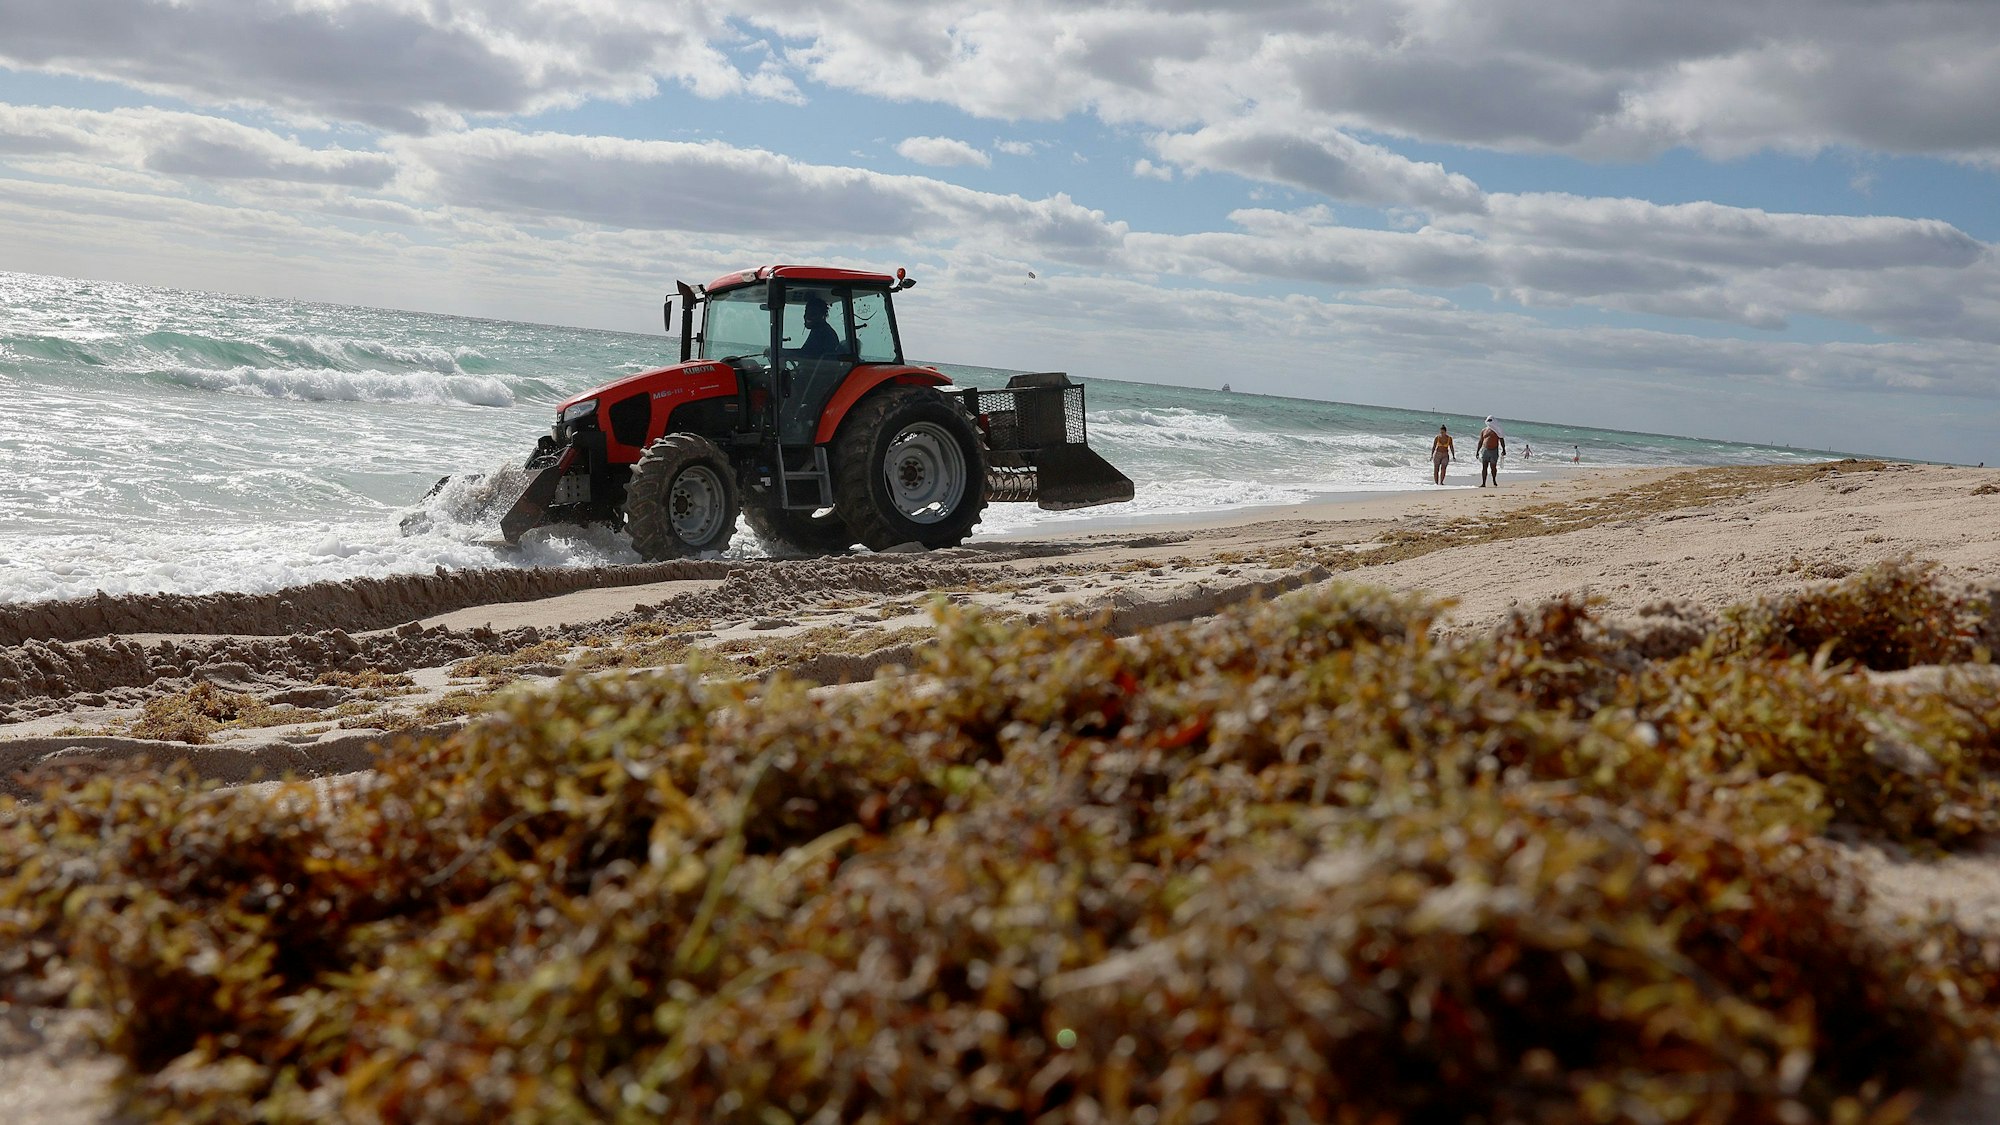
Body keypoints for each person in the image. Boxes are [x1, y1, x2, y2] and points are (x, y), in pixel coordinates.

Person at [1476, 420, 1505, 486]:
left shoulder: (1497, 430)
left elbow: (1501, 440)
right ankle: (1483, 483)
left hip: (1494, 451)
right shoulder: (1483, 430)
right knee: (1484, 467)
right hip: (1485, 450)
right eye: (1488, 420)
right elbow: (1480, 441)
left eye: (1491, 420)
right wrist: (1477, 451)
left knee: (1493, 467)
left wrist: (1503, 449)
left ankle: (1494, 480)